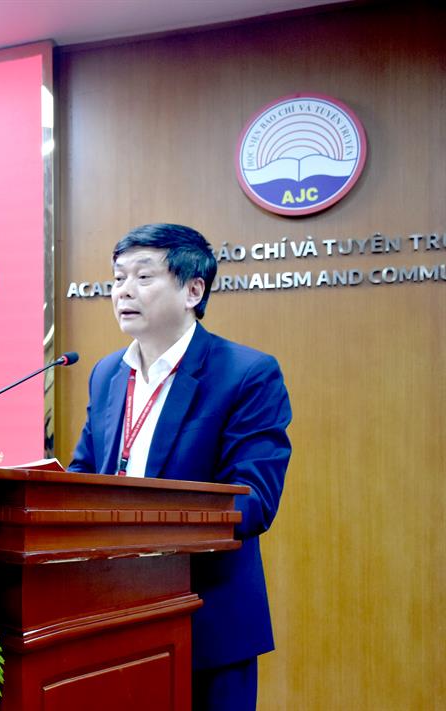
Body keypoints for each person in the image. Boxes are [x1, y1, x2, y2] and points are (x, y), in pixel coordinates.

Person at [68, 223, 292, 711]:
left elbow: (253, 501)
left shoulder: (246, 374)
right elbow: (84, 476)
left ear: (193, 290)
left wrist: (141, 522)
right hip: (111, 616)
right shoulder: (107, 374)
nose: (124, 291)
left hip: (206, 622)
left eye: (143, 276)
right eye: (118, 278)